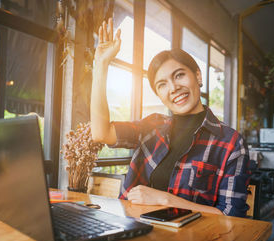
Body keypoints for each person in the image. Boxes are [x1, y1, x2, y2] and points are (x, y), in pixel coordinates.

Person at [90, 18, 250, 217]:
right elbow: (100, 133)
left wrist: (165, 199)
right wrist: (101, 64)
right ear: (159, 95)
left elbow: (232, 217)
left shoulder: (231, 143)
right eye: (162, 85)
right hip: (133, 234)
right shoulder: (151, 126)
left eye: (179, 75)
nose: (173, 88)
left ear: (198, 77)